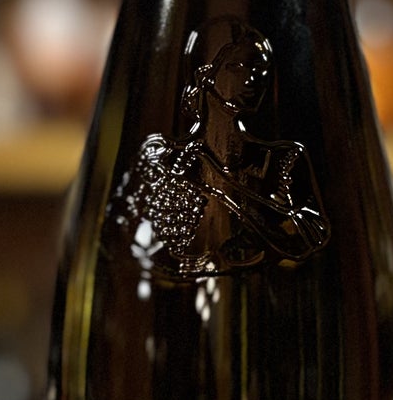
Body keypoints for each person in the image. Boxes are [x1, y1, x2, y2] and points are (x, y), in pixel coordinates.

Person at [117, 18, 328, 281]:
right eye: (237, 67)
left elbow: (311, 238)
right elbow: (130, 240)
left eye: (260, 70)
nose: (252, 79)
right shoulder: (166, 162)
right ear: (205, 74)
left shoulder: (283, 161)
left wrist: (224, 192)